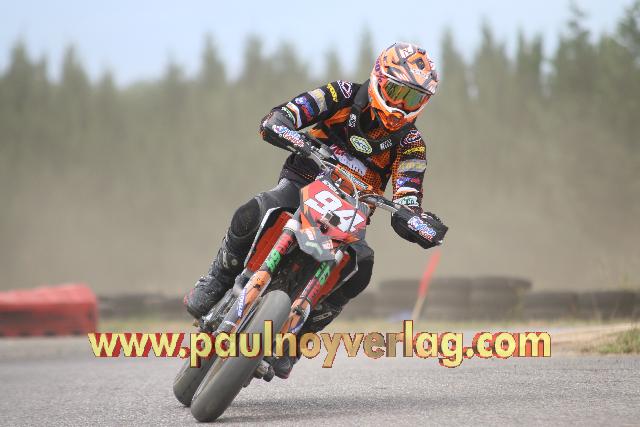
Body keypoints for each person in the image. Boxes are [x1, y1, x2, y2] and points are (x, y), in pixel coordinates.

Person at [184, 42, 445, 377]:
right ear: (379, 78)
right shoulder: (342, 94)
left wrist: (418, 221)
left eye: (413, 98)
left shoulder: (412, 144)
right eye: (397, 92)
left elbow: (408, 196)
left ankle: (298, 338)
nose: (401, 105)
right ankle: (217, 278)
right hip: (304, 180)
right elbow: (285, 115)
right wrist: (287, 129)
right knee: (257, 209)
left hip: (352, 210)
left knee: (361, 266)